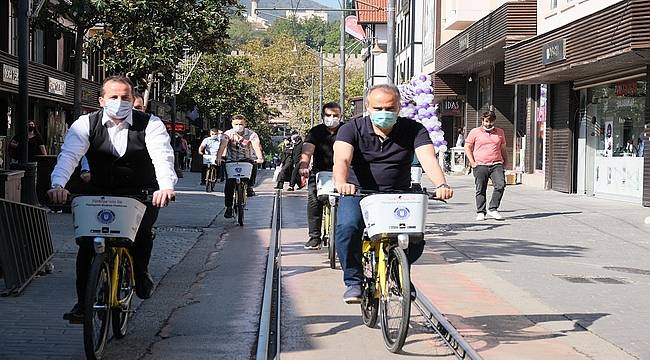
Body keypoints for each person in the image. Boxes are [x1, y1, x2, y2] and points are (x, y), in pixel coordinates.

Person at [47, 75, 177, 322]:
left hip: (141, 193)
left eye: (125, 97)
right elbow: (69, 156)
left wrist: (165, 187)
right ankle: (83, 303)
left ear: (132, 99)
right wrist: (58, 184)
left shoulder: (150, 123)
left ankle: (140, 273)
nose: (120, 102)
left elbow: (163, 156)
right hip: (99, 191)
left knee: (140, 236)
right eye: (114, 97)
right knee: (87, 244)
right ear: (101, 100)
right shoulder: (86, 123)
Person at [333, 84, 453, 303]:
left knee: (414, 238)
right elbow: (342, 158)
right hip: (358, 193)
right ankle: (353, 281)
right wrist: (341, 183)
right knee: (347, 228)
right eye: (378, 108)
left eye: (389, 108)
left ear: (399, 107)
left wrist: (441, 184)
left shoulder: (413, 129)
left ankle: (399, 275)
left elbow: (428, 158)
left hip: (399, 194)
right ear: (368, 107)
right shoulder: (351, 129)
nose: (384, 113)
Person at [298, 102, 343, 250]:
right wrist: (304, 165)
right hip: (320, 172)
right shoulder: (315, 132)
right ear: (323, 116)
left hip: (344, 173)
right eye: (328, 115)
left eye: (335, 115)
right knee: (313, 199)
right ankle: (314, 237)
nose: (332, 118)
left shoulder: (347, 130)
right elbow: (307, 151)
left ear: (340, 116)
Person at [216, 115, 264, 218]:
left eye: (241, 124)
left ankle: (250, 187)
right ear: (232, 124)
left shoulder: (252, 134)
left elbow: (256, 146)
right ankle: (229, 207)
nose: (239, 126)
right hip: (231, 160)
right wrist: (219, 157)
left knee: (253, 165)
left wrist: (260, 158)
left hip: (246, 159)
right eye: (236, 124)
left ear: (245, 124)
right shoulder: (227, 134)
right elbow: (222, 146)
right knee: (229, 184)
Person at [464, 111, 507, 221]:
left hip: (496, 164)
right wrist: (473, 163)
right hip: (480, 165)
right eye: (486, 121)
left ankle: (493, 209)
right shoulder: (475, 132)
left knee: (500, 185)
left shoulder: (500, 132)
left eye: (491, 121)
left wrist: (505, 163)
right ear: (482, 121)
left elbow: (503, 149)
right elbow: (467, 147)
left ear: (494, 121)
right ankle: (481, 211)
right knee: (481, 189)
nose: (488, 124)